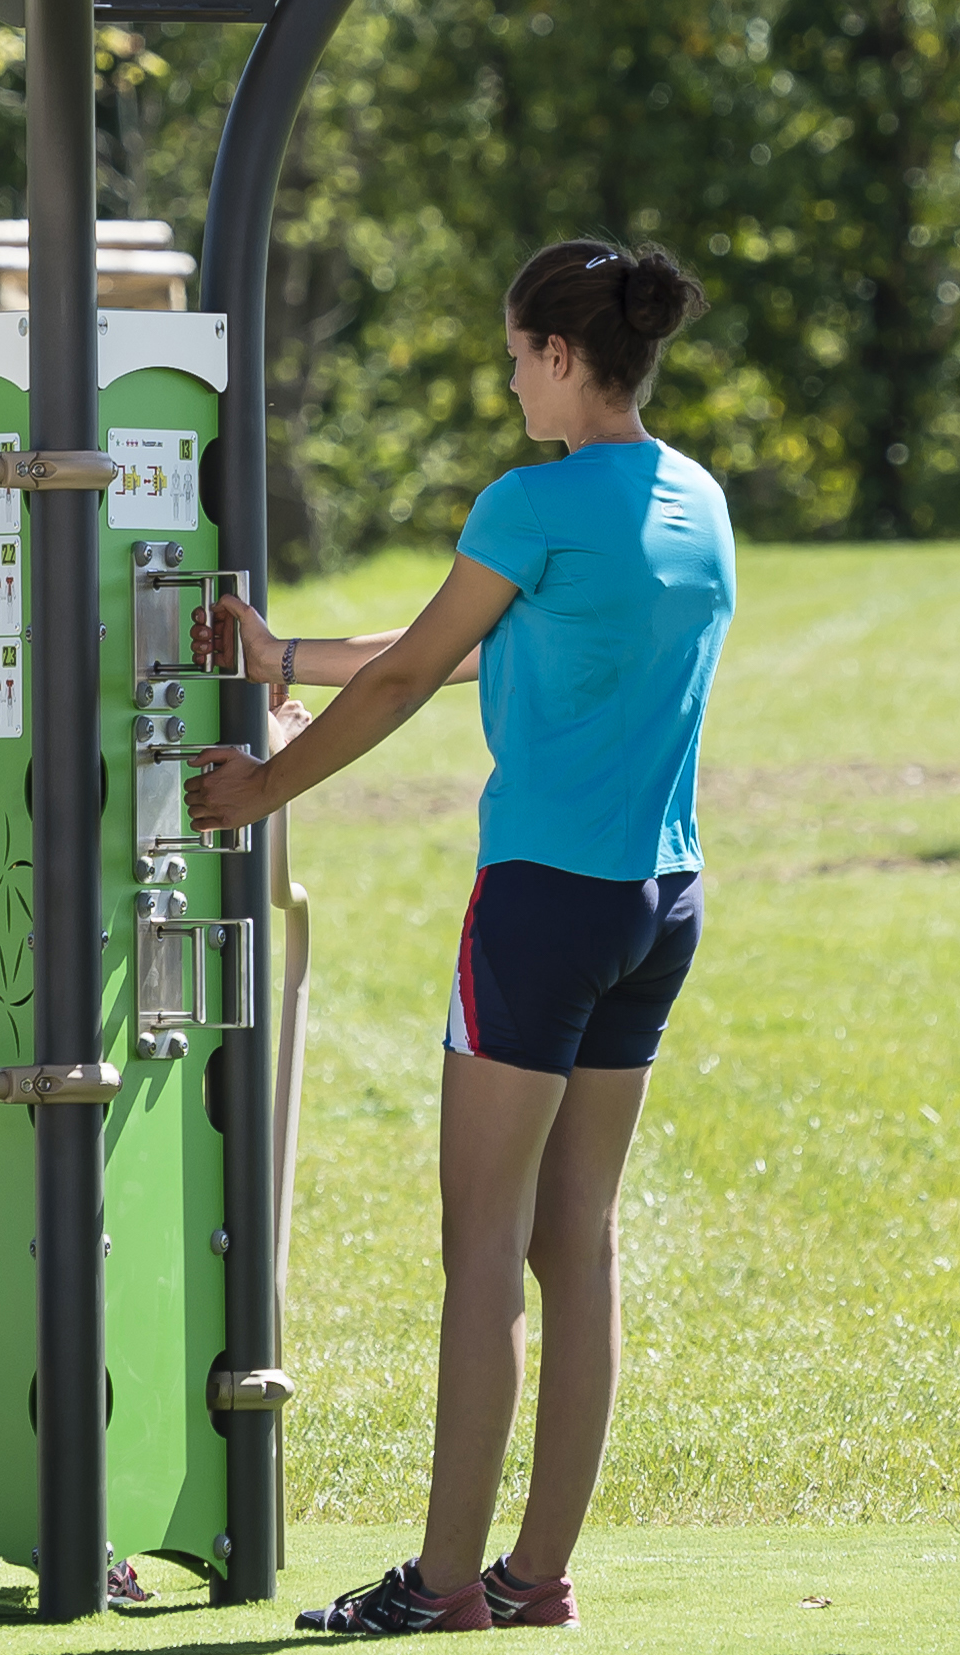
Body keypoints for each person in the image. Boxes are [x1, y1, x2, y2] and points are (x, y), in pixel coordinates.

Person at [182, 240, 731, 1637]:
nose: (509, 383)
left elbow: (430, 666)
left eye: (512, 357)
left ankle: (439, 1588)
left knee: (482, 1245)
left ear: (560, 357)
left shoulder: (529, 501)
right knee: (580, 1240)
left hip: (539, 905)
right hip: (658, 905)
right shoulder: (694, 500)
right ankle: (534, 1577)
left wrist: (260, 789)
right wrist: (286, 658)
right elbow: (495, 641)